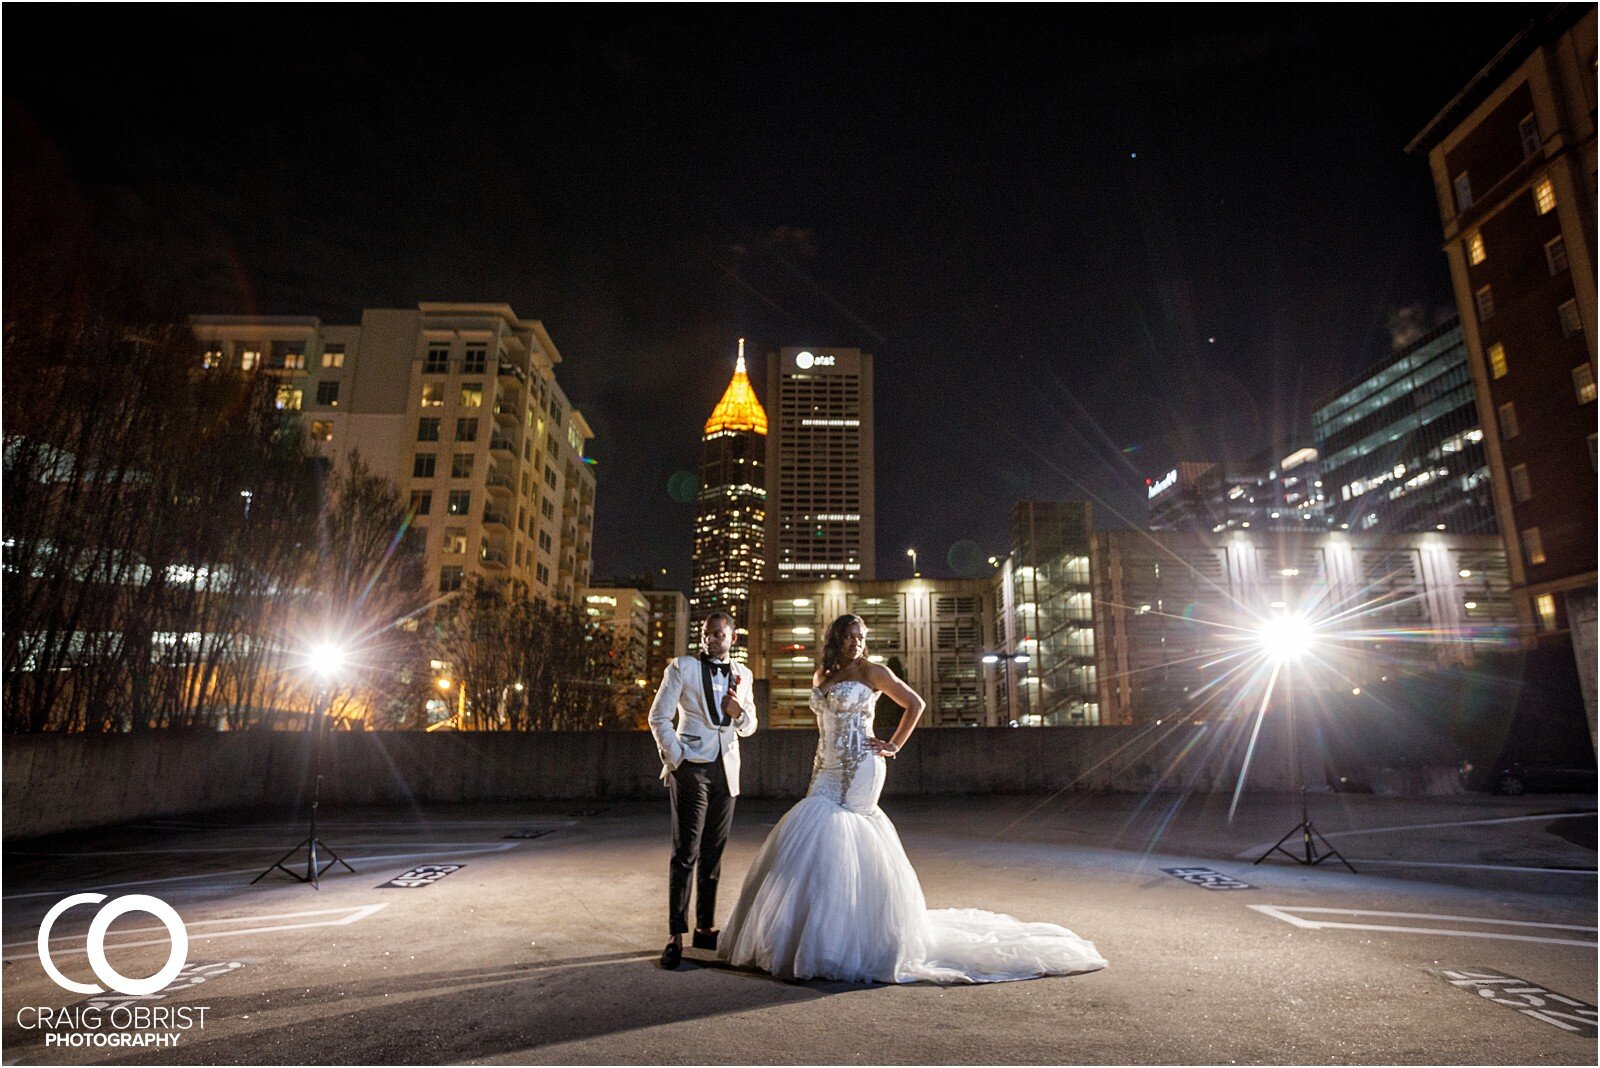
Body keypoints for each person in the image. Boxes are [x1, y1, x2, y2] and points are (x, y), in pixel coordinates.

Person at [718, 613, 1107, 983]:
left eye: (861, 637)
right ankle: (806, 935)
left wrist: (892, 745)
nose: (857, 643)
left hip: (862, 766)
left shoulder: (874, 672)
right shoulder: (824, 673)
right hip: (825, 766)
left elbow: (914, 704)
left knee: (844, 838)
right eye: (850, 637)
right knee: (810, 833)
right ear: (836, 639)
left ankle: (853, 940)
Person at [647, 611, 757, 970]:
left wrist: (738, 713)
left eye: (719, 635)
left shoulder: (744, 674)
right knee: (686, 852)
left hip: (727, 770)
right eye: (707, 634)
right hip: (691, 767)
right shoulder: (681, 667)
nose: (711, 640)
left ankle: (705, 928)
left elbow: (750, 726)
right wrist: (675, 758)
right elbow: (658, 716)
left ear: (732, 638)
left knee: (714, 854)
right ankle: (675, 935)